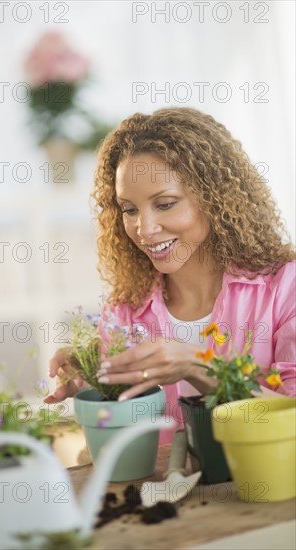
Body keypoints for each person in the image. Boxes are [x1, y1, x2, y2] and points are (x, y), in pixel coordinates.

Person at [45, 107, 296, 443]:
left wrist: (197, 366)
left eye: (165, 204)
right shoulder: (127, 311)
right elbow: (126, 438)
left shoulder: (283, 290)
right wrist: (93, 378)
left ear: (214, 198)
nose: (144, 229)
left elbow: (289, 415)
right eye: (130, 209)